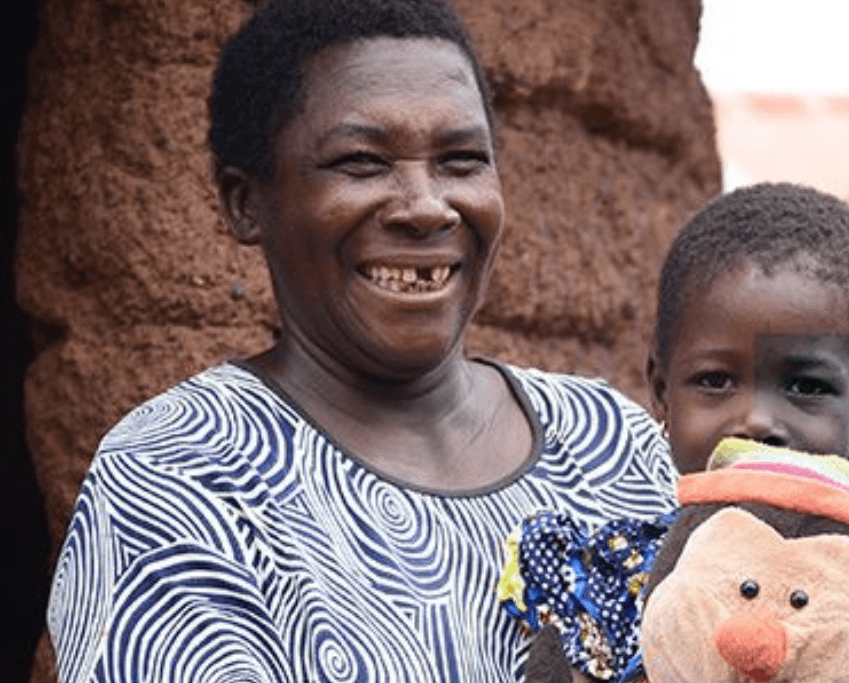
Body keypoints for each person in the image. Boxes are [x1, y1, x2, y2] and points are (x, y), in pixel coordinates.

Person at [44, 1, 679, 681]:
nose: (427, 205)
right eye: (362, 162)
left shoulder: (610, 441)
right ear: (244, 202)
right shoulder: (181, 474)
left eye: (462, 160)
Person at [499, 182, 849, 683]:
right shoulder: (618, 572)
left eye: (806, 386)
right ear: (661, 392)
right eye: (715, 381)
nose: (757, 421)